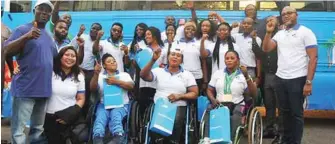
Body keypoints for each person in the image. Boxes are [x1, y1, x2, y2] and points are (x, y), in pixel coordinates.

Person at [263, 6, 318, 144]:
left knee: (296, 114)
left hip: (297, 79)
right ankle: (285, 140)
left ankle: (295, 141)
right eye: (283, 14)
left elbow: (313, 58)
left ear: (296, 15)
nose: (286, 16)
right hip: (280, 78)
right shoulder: (280, 33)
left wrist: (308, 82)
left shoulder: (306, 32)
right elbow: (266, 48)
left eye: (289, 13)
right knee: (283, 113)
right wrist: (268, 33)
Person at [3, 0, 56, 143]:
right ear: (34, 11)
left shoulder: (49, 36)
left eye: (47, 11)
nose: (44, 13)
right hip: (25, 89)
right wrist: (27, 36)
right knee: (19, 131)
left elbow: (54, 59)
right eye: (41, 9)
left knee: (38, 129)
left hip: (43, 90)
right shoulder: (22, 30)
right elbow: (6, 50)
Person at [140, 47, 198, 143]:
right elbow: (143, 75)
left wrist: (179, 96)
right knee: (157, 128)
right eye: (173, 54)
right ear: (168, 57)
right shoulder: (159, 71)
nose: (175, 57)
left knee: (175, 123)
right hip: (160, 105)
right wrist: (153, 60)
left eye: (178, 56)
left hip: (178, 105)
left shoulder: (187, 74)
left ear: (182, 60)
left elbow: (194, 93)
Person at [202, 50, 257, 141]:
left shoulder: (244, 75)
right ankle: (207, 139)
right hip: (219, 103)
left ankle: (231, 140)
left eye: (232, 58)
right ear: (224, 61)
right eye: (227, 58)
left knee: (236, 115)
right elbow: (209, 90)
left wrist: (247, 76)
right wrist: (212, 99)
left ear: (238, 61)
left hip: (237, 103)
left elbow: (253, 94)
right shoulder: (218, 73)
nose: (229, 60)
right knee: (209, 110)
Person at [44, 46, 85, 144]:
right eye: (67, 55)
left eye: (73, 56)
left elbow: (81, 98)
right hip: (48, 118)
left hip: (69, 119)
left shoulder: (79, 76)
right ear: (60, 56)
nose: (70, 58)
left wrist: (69, 115)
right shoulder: (50, 72)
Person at [252, 16, 283, 143]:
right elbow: (259, 54)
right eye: (267, 21)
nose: (269, 22)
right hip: (268, 75)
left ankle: (280, 132)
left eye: (272, 20)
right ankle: (270, 128)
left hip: (280, 74)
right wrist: (254, 40)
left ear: (278, 22)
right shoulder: (264, 37)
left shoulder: (281, 35)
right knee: (269, 104)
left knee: (281, 105)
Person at [91, 53, 134, 144]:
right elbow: (92, 88)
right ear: (104, 65)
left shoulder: (124, 75)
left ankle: (118, 135)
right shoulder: (100, 76)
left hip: (121, 104)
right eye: (109, 62)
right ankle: (97, 137)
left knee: (115, 114)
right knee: (100, 117)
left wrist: (116, 82)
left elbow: (131, 86)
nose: (113, 62)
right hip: (104, 104)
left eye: (114, 61)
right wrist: (95, 74)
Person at [136, 26, 165, 116]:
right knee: (143, 107)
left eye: (148, 34)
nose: (146, 37)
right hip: (144, 84)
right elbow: (138, 67)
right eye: (145, 35)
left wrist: (163, 67)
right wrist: (137, 55)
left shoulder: (163, 50)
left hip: (158, 84)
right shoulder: (143, 50)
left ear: (155, 36)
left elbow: (167, 66)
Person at [79, 22, 103, 115]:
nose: (94, 30)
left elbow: (95, 50)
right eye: (93, 28)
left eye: (97, 29)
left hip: (90, 72)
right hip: (79, 70)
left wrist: (97, 39)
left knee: (87, 95)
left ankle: (84, 118)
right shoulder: (83, 37)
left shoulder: (100, 43)